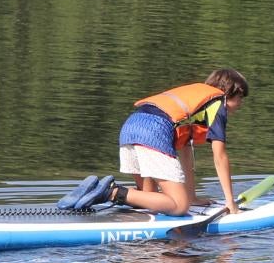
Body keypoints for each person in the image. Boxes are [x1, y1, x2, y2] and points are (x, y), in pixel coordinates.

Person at [59, 68, 250, 213]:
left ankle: (93, 192)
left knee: (148, 198)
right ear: (227, 92)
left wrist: (192, 196)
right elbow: (220, 157)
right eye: (239, 98)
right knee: (179, 206)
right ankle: (111, 192)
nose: (240, 104)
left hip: (130, 127)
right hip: (153, 133)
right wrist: (230, 202)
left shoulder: (195, 101)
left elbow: (185, 151)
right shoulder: (218, 103)